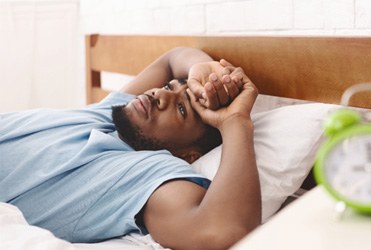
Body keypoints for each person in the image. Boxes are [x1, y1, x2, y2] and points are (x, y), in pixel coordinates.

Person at [0, 47, 261, 250]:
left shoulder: (146, 173)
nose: (160, 94)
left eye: (181, 109)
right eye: (170, 86)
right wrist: (203, 68)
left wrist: (235, 123)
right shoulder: (110, 116)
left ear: (189, 154)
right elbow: (172, 58)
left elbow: (221, 231)